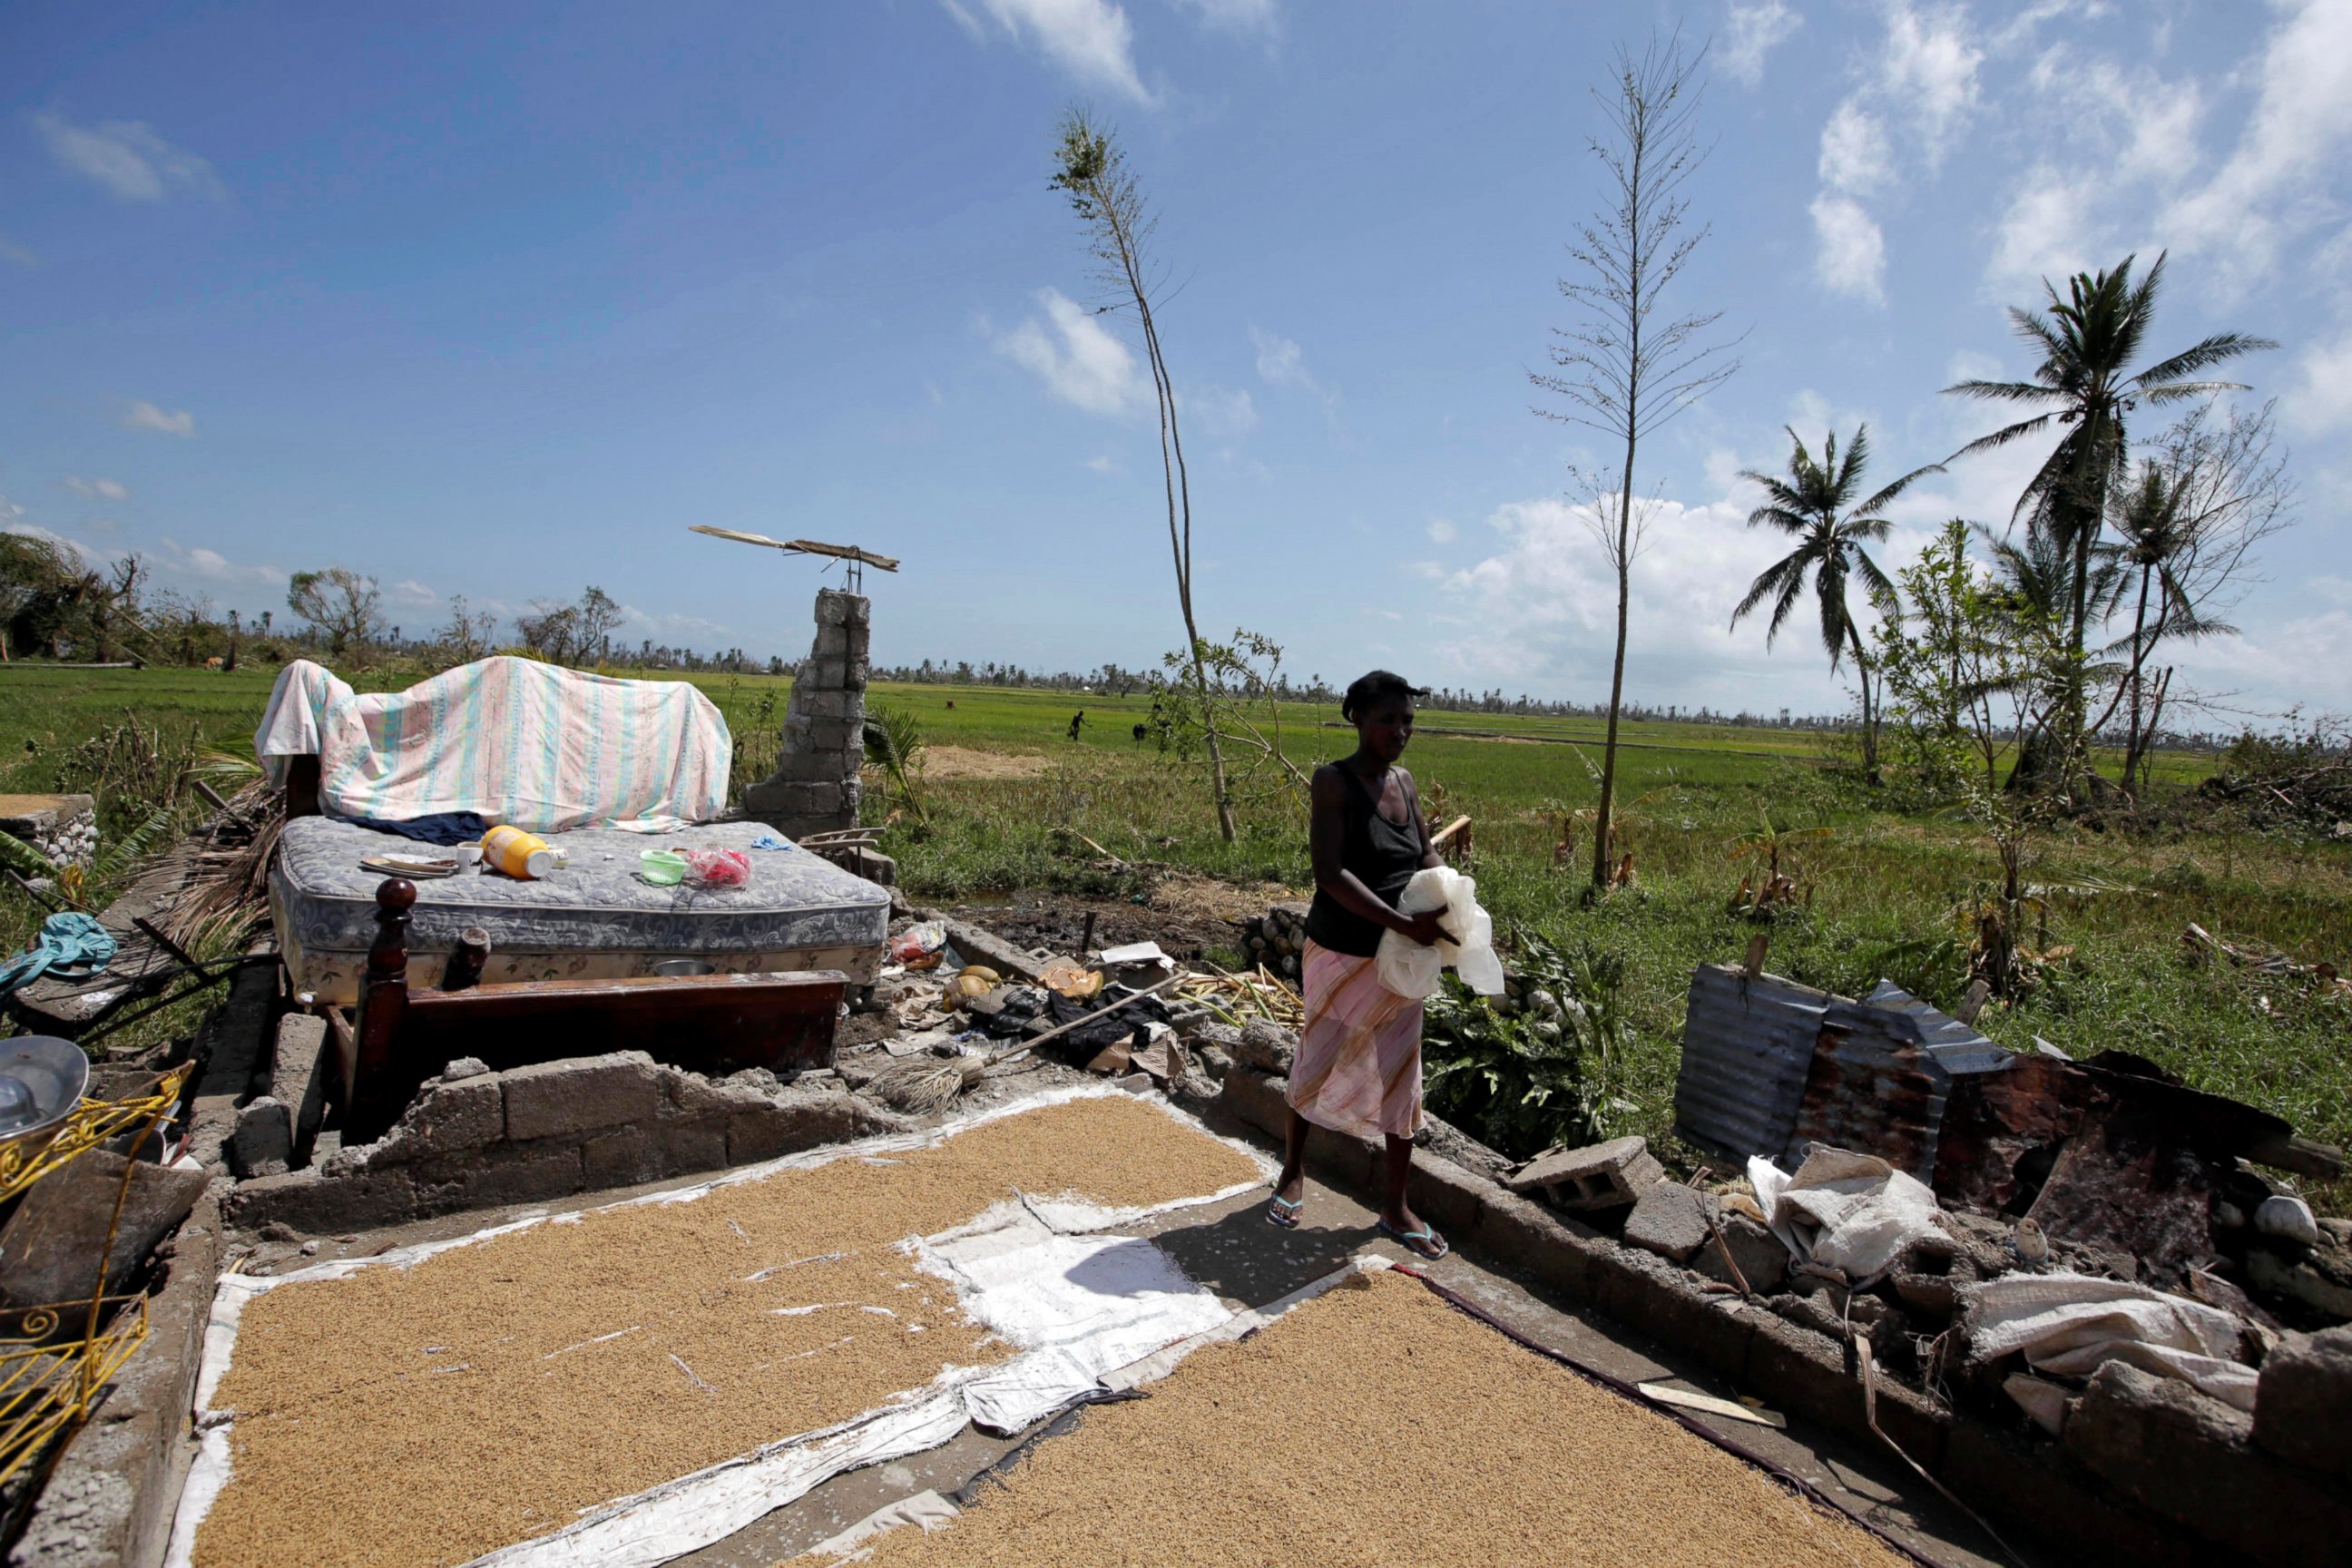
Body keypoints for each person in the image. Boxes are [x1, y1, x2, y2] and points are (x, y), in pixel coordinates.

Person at [1267, 670, 1453, 1259]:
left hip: (1401, 957)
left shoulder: (1404, 780)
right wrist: (1403, 923)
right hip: (1342, 950)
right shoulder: (1335, 782)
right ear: (1357, 720)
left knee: (1400, 1074)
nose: (1399, 732)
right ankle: (1293, 1170)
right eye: (1386, 721)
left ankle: (1395, 1205)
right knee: (1318, 1056)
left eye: (1407, 722)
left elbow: (1423, 849)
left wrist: (1451, 895)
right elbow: (1330, 875)